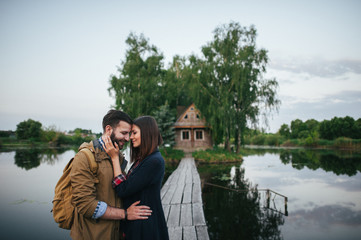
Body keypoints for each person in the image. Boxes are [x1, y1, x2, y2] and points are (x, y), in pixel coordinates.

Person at [70, 110, 152, 240]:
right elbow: (86, 205)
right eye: (124, 133)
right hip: (93, 235)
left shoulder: (117, 156)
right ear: (108, 129)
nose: (127, 138)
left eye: (129, 134)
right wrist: (125, 214)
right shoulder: (84, 158)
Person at [103, 116, 169, 240]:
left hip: (144, 227)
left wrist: (114, 158)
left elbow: (123, 189)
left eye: (134, 133)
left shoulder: (154, 162)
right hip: (140, 222)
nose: (130, 137)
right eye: (129, 133)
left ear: (147, 133)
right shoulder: (144, 159)